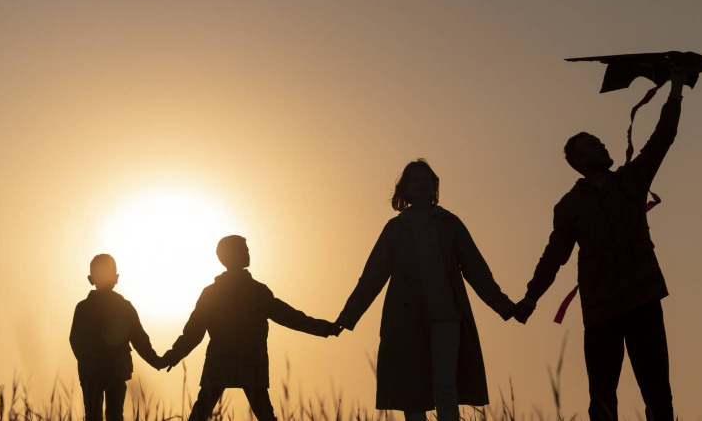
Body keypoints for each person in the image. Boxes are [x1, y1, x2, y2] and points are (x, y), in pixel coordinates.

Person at [512, 66, 689, 421]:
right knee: (603, 403)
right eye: (593, 145)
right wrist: (532, 297)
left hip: (643, 299)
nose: (603, 145)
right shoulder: (569, 207)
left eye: (600, 141)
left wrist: (676, 89)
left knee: (658, 396)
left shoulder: (631, 180)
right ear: (579, 161)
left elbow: (663, 137)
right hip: (600, 312)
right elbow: (554, 257)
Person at [336, 159, 516, 421]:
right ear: (405, 189)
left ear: (435, 186)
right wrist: (347, 317)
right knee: (411, 391)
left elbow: (477, 271)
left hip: (447, 317)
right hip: (405, 320)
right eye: (416, 180)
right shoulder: (395, 228)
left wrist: (506, 306)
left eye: (426, 179)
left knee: (445, 388)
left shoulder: (450, 223)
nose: (422, 183)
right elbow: (371, 278)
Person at [160, 235, 340, 421]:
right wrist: (325, 328)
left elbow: (193, 333)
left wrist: (325, 328)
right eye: (243, 250)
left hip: (228, 361)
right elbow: (291, 318)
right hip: (245, 361)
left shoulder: (221, 293)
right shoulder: (254, 292)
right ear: (231, 255)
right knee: (257, 413)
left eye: (247, 250)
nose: (248, 253)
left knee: (206, 412)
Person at [69, 254, 166, 421]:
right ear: (117, 278)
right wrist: (156, 361)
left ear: (90, 279)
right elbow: (140, 340)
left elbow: (75, 340)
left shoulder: (84, 308)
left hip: (94, 372)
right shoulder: (124, 307)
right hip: (114, 370)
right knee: (114, 415)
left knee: (93, 416)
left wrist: (88, 362)